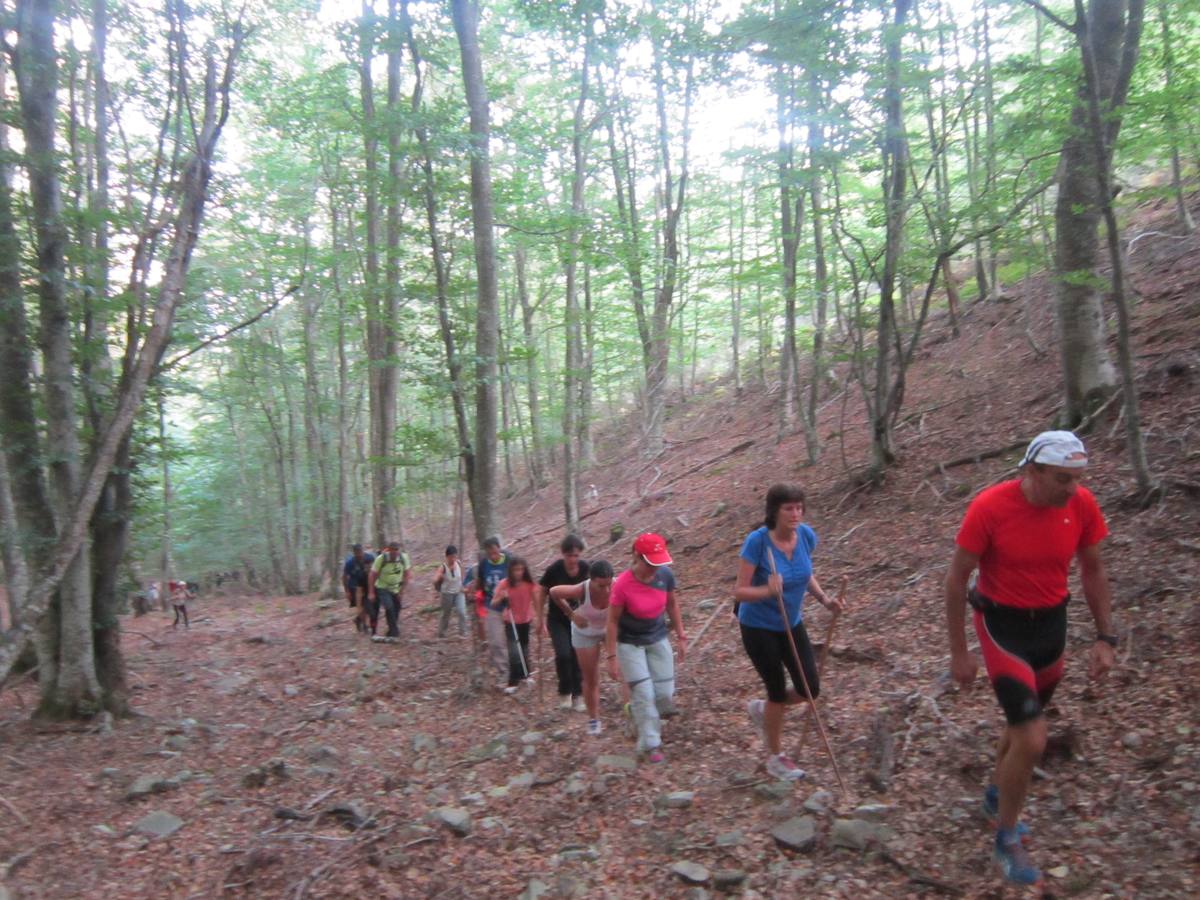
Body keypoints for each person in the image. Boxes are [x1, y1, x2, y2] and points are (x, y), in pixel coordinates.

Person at [945, 430, 1115, 885]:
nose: (1072, 488)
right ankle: (1007, 837)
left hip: (1051, 627)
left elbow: (1093, 569)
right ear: (1031, 471)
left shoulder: (1081, 506)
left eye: (1078, 478)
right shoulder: (990, 507)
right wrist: (960, 652)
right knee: (1034, 736)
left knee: (1021, 725)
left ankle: (995, 794)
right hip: (1003, 628)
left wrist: (1105, 637)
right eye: (1062, 479)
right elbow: (957, 577)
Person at [735, 484, 842, 782]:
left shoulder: (806, 535)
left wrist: (824, 600)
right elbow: (740, 591)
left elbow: (806, 573)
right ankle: (775, 757)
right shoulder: (757, 542)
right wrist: (766, 589)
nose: (795, 514)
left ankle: (764, 710)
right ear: (774, 511)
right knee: (776, 691)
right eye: (788, 508)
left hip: (791, 622)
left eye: (799, 507)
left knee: (810, 687)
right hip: (758, 627)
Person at [605, 533, 686, 763]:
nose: (655, 568)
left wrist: (681, 635)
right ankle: (650, 744)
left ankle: (636, 713)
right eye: (650, 562)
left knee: (663, 694)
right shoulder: (622, 585)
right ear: (637, 557)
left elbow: (672, 603)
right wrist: (612, 656)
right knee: (644, 693)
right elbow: (611, 621)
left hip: (657, 637)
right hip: (630, 643)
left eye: (658, 562)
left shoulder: (665, 576)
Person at [550, 559, 614, 735]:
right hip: (585, 632)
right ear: (591, 580)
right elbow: (554, 592)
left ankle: (631, 712)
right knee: (590, 677)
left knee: (622, 670)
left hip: (609, 629)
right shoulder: (580, 590)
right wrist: (571, 614)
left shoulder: (617, 585)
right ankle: (594, 719)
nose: (607, 590)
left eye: (609, 584)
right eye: (601, 586)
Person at [537, 534, 590, 711]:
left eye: (576, 555)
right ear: (563, 554)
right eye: (570, 555)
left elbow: (593, 591)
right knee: (564, 654)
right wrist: (539, 619)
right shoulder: (555, 570)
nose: (573, 559)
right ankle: (565, 692)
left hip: (579, 619)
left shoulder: (585, 569)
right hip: (557, 619)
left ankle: (579, 694)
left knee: (577, 655)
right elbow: (541, 592)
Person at [494, 556, 537, 694]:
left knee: (523, 648)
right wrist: (502, 597)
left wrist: (539, 619)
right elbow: (493, 603)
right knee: (513, 651)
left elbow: (537, 599)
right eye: (515, 570)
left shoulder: (529, 584)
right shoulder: (504, 584)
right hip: (510, 620)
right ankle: (513, 681)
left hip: (525, 620)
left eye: (521, 569)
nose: (518, 572)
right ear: (510, 571)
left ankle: (526, 674)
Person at [473, 537, 510, 682]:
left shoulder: (509, 560)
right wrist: (479, 605)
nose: (493, 556)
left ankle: (519, 670)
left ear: (499, 548)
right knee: (496, 641)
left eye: (495, 552)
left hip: (509, 604)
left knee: (513, 639)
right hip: (492, 605)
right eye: (490, 554)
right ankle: (504, 672)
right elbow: (481, 585)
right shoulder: (483, 564)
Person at [368, 541, 411, 641]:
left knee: (397, 608)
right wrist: (371, 592)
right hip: (382, 587)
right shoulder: (381, 559)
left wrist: (402, 591)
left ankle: (390, 630)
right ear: (388, 550)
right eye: (393, 550)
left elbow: (407, 574)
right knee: (389, 606)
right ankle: (394, 632)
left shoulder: (403, 558)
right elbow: (372, 575)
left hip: (396, 588)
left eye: (397, 550)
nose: (395, 552)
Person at [432, 545, 467, 639]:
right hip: (447, 594)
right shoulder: (443, 567)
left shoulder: (458, 563)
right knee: (446, 614)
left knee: (462, 612)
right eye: (451, 557)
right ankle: (441, 633)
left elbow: (462, 576)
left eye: (455, 556)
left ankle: (463, 633)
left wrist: (464, 586)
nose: (453, 559)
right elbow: (435, 579)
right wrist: (439, 578)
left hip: (459, 592)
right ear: (447, 556)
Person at [343, 543, 375, 634]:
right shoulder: (350, 563)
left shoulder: (370, 558)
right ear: (354, 553)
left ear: (363, 550)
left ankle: (358, 619)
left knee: (367, 606)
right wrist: (347, 591)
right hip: (355, 586)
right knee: (360, 606)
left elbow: (374, 571)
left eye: (360, 551)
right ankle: (364, 625)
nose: (359, 554)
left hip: (367, 584)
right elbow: (345, 577)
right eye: (356, 552)